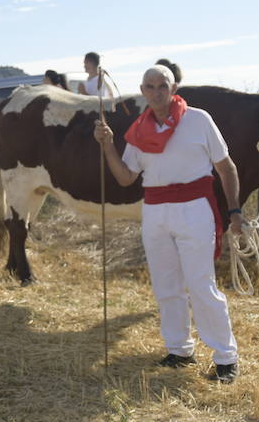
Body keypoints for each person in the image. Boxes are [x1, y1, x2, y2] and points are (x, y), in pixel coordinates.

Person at [93, 59, 242, 383]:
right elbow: (125, 177)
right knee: (166, 286)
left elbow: (226, 168)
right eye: (151, 86)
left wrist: (234, 212)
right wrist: (107, 146)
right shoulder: (138, 131)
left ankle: (226, 357)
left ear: (174, 89)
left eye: (163, 86)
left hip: (194, 209)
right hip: (156, 212)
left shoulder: (199, 120)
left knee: (201, 284)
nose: (157, 92)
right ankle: (179, 349)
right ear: (143, 91)